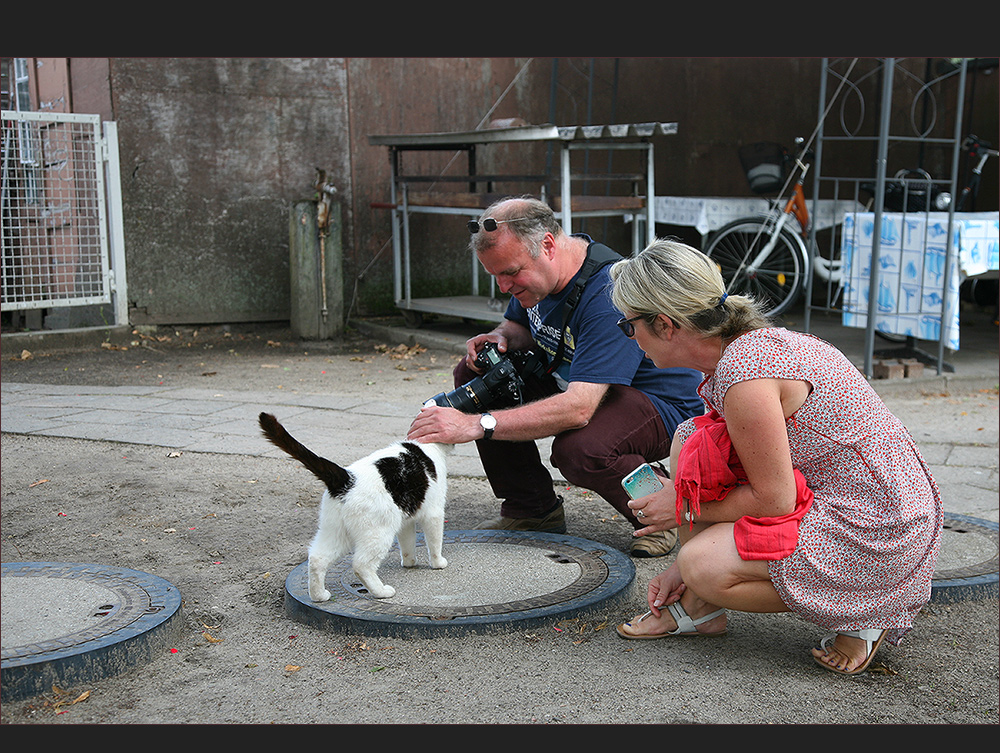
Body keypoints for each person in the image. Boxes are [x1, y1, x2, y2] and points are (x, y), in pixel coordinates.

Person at [607, 238, 943, 675]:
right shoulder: (748, 347)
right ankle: (699, 606)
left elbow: (775, 500)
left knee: (702, 565)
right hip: (856, 496)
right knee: (692, 437)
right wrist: (687, 505)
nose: (629, 338)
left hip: (880, 525)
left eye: (628, 325)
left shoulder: (746, 376)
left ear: (666, 324)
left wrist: (683, 508)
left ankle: (866, 612)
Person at [407, 197, 703, 557]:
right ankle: (532, 509)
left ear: (548, 244)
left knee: (580, 449)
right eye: (495, 275)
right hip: (589, 385)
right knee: (480, 376)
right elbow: (519, 324)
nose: (503, 286)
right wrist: (501, 337)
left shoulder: (608, 292)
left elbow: (578, 408)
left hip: (659, 403)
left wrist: (477, 424)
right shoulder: (539, 277)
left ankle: (655, 506)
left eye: (511, 273)